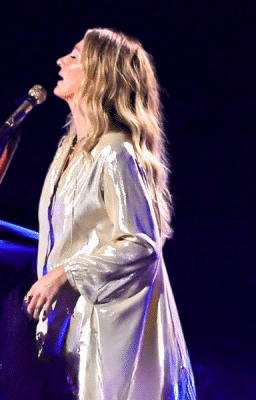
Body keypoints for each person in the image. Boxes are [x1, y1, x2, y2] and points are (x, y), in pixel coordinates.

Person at [23, 28, 196, 399]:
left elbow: (141, 245)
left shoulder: (114, 152)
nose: (61, 61)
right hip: (80, 322)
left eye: (74, 56)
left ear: (99, 74)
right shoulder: (69, 150)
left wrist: (65, 273)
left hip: (116, 330)